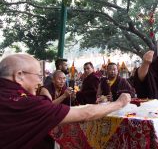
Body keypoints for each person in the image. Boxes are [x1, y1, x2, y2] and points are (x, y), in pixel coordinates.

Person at [0, 53, 131, 149]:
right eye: (38, 76)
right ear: (19, 75)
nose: (40, 81)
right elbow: (85, 114)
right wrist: (119, 103)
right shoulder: (24, 103)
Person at [38, 70, 76, 148]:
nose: (62, 81)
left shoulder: (65, 88)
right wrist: (64, 96)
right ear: (53, 80)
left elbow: (69, 103)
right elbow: (48, 106)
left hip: (59, 118)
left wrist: (72, 97)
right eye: (59, 79)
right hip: (46, 119)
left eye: (64, 79)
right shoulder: (45, 89)